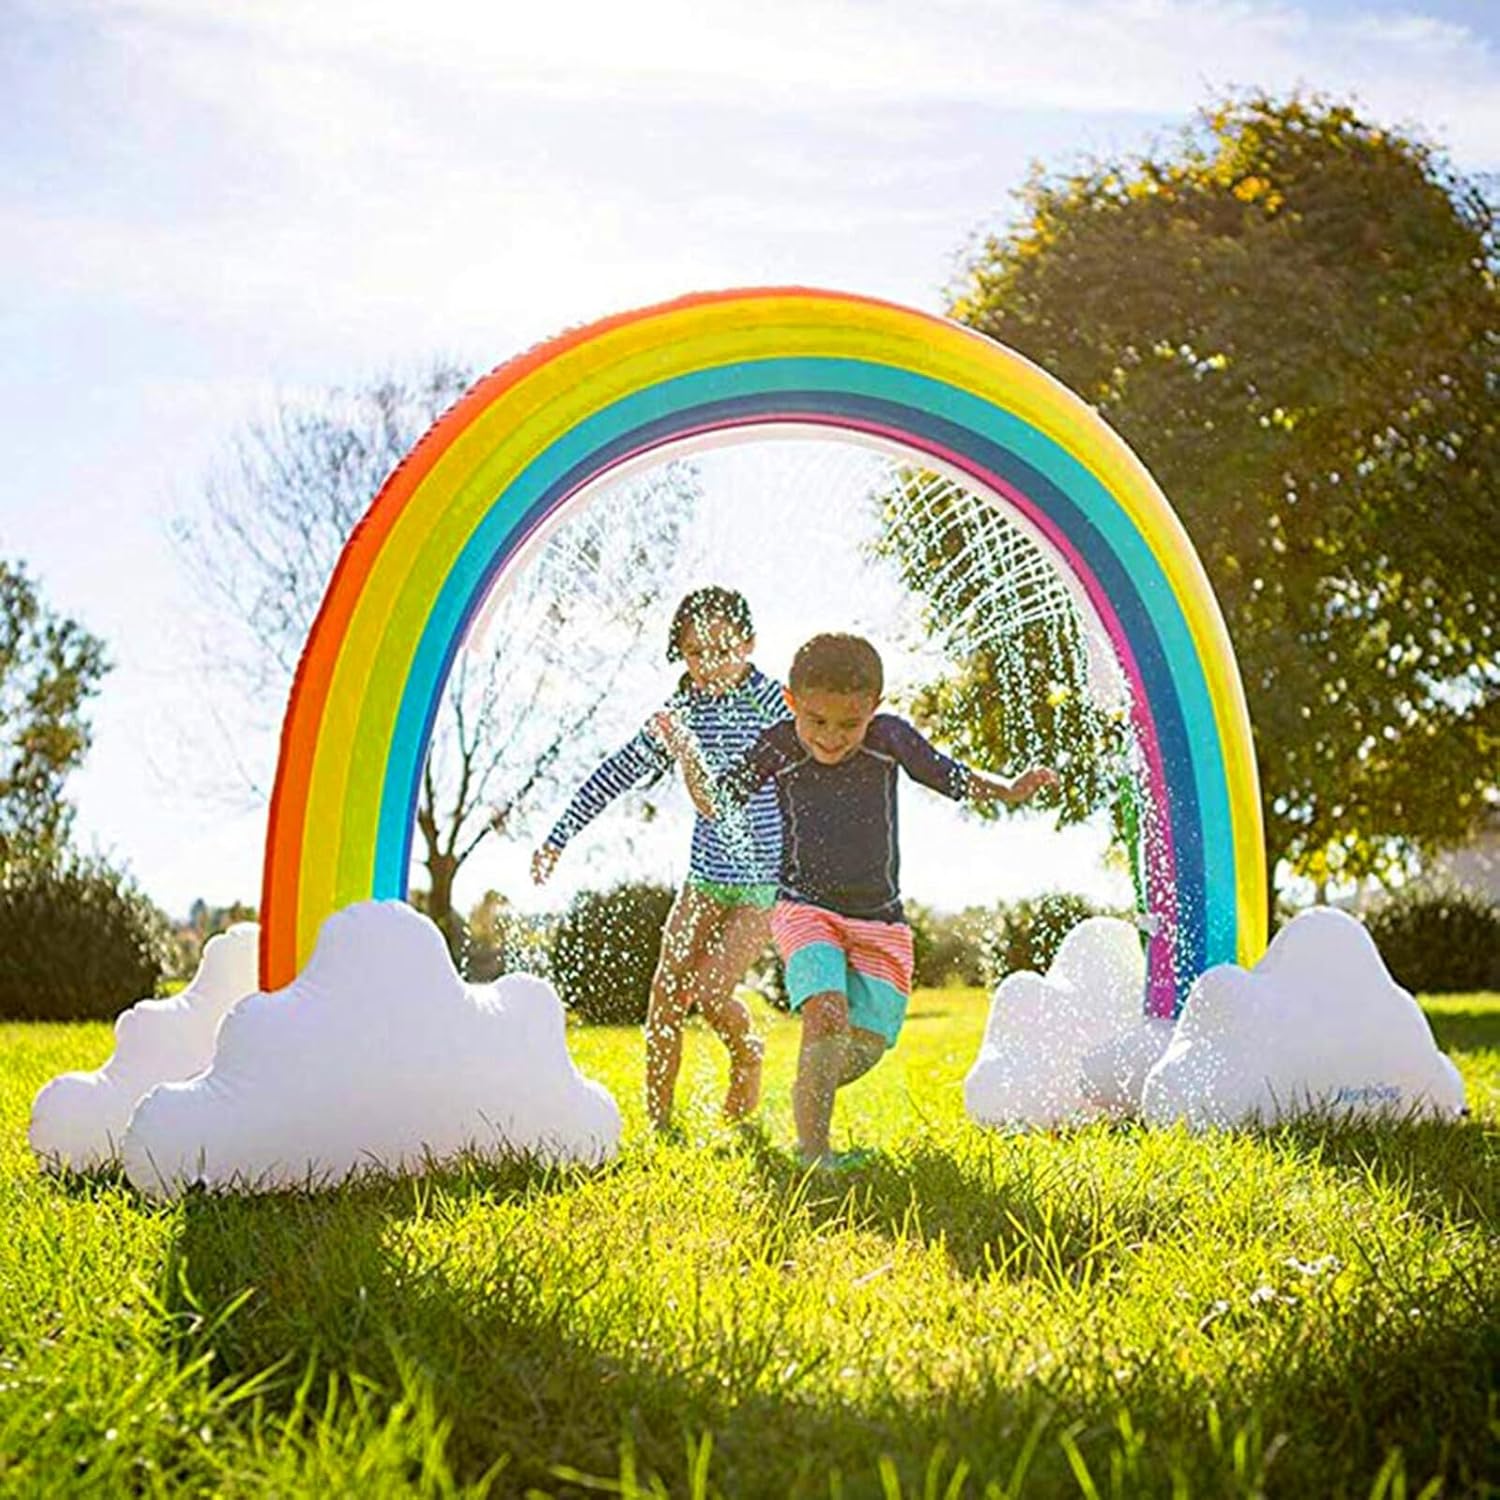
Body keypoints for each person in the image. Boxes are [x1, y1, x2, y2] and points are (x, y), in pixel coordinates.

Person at [652, 632, 1059, 1167]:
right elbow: (717, 802)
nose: (831, 737)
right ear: (792, 702)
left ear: (874, 707)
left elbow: (946, 775)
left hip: (880, 921)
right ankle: (814, 1155)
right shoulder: (779, 744)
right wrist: (687, 752)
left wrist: (1007, 788)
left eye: (849, 723)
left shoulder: (888, 738)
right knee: (826, 1014)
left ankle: (807, 1087)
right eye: (816, 720)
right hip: (803, 908)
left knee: (864, 1046)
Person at [524, 587, 787, 1132]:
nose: (709, 664)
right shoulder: (680, 714)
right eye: (695, 652)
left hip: (763, 885)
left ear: (749, 644)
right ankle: (659, 1125)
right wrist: (558, 837)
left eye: (723, 649)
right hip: (705, 879)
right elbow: (615, 773)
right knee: (667, 991)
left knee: (711, 993)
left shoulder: (771, 701)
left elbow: (821, 745)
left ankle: (748, 1053)